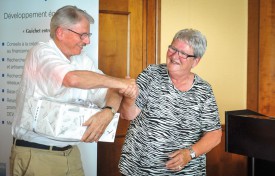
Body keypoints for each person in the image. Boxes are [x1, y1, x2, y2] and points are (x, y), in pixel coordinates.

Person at [10, 5, 137, 176]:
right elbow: (72, 79)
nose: (87, 41)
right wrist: (122, 83)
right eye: (83, 35)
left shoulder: (82, 60)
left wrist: (108, 111)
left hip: (71, 153)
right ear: (61, 32)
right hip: (37, 155)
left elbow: (111, 91)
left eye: (88, 35)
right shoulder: (41, 52)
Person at [118, 28, 222, 175]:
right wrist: (129, 97)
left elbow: (215, 134)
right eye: (173, 49)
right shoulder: (151, 74)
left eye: (183, 54)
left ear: (196, 61)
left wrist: (190, 153)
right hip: (138, 170)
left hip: (185, 172)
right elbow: (128, 114)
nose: (174, 56)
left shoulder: (203, 90)